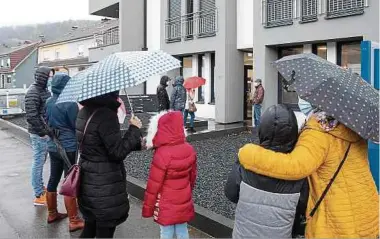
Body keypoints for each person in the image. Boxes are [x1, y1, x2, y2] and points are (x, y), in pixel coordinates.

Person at [238, 98, 379, 238]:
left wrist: (248, 154)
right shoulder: (353, 126)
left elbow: (294, 166)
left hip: (340, 221)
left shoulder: (320, 131)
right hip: (367, 211)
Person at [225, 104, 308, 238]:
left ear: (262, 130)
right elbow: (304, 208)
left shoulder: (246, 160)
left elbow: (231, 193)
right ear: (293, 133)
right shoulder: (299, 171)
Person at [76, 91, 143, 238]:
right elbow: (117, 152)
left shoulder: (84, 111)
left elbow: (98, 144)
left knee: (90, 227)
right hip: (105, 183)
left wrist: (135, 142)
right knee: (104, 231)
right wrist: (134, 129)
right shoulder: (107, 115)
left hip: (88, 179)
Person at [142, 111, 197, 239]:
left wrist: (148, 208)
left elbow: (153, 185)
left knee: (166, 233)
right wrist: (188, 190)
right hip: (183, 197)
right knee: (182, 230)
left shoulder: (161, 153)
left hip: (166, 202)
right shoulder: (189, 149)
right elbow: (192, 176)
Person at [45, 73, 84, 232]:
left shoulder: (48, 101)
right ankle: (74, 220)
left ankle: (52, 213)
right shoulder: (69, 104)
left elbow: (46, 120)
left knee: (53, 178)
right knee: (70, 180)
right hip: (68, 147)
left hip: (53, 145)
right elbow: (77, 127)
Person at [25, 66, 54, 206]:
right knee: (38, 162)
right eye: (49, 76)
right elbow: (31, 115)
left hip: (43, 132)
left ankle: (41, 187)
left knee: (40, 161)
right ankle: (38, 194)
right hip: (38, 134)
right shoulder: (33, 92)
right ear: (43, 77)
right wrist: (42, 132)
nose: (51, 79)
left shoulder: (43, 90)